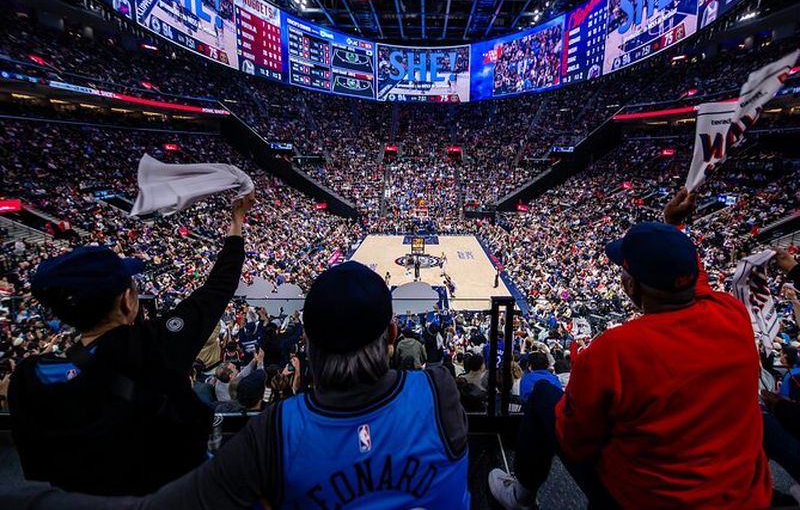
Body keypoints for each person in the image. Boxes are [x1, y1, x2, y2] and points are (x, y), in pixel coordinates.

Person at [5, 261, 470, 509]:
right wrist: (237, 225)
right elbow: (211, 295)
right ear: (392, 335)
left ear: (305, 342)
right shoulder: (440, 390)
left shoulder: (272, 430)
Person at [489, 188, 771, 509]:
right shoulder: (731, 312)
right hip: (745, 497)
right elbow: (690, 275)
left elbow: (574, 442)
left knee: (542, 395)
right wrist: (672, 227)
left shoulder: (615, 349)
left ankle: (520, 498)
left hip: (643, 500)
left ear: (630, 284)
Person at [8, 193, 255, 496]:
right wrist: (237, 222)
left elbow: (35, 466)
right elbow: (218, 287)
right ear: (127, 301)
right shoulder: (155, 346)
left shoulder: (30, 379)